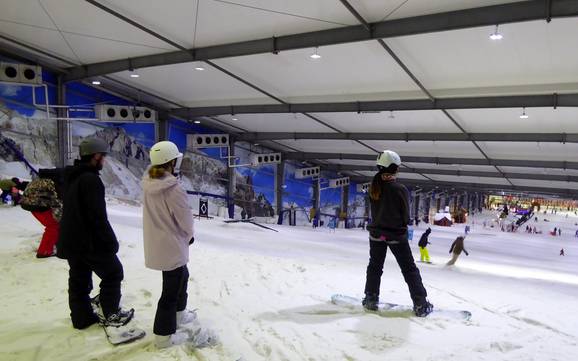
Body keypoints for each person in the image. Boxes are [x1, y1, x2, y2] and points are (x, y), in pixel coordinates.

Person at [57, 138, 136, 330]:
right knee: (113, 273)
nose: (104, 161)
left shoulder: (72, 177)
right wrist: (110, 242)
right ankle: (111, 314)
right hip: (87, 240)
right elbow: (97, 217)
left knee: (79, 279)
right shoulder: (91, 180)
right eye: (103, 157)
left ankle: (81, 318)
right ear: (96, 156)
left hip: (70, 239)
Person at [363, 150, 433, 317]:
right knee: (409, 269)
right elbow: (405, 217)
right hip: (395, 236)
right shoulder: (399, 188)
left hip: (376, 235)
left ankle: (371, 299)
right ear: (393, 168)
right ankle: (420, 304)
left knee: (375, 267)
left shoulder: (374, 187)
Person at [142, 141, 196, 348]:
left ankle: (179, 316)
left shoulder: (150, 183)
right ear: (171, 161)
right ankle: (163, 336)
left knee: (182, 276)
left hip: (159, 242)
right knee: (171, 291)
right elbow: (185, 218)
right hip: (171, 243)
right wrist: (189, 235)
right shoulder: (172, 188)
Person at [20, 175, 62, 258]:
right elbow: (56, 203)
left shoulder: (45, 179)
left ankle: (52, 244)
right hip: (39, 204)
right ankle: (44, 252)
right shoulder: (59, 185)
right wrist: (60, 219)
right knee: (53, 226)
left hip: (27, 203)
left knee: (53, 225)